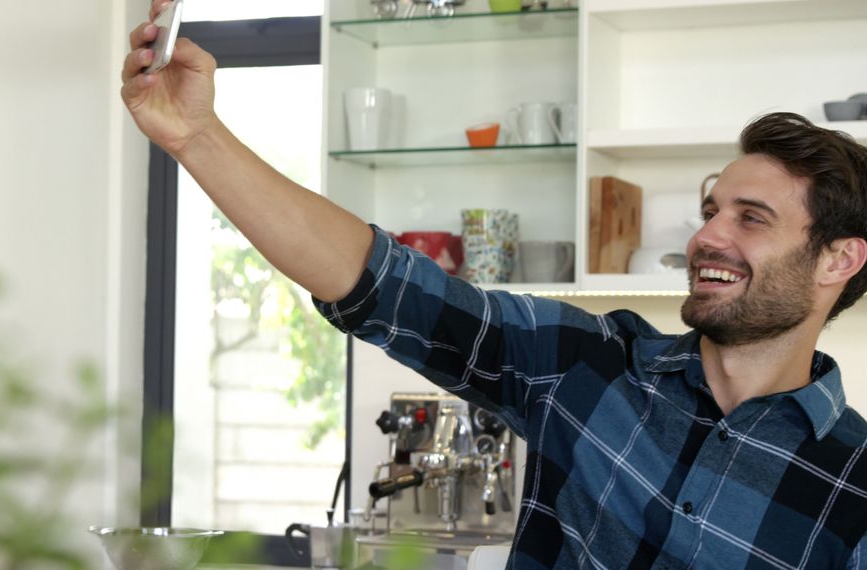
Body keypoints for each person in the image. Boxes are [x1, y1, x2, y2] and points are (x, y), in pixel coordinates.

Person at [121, 4, 867, 568]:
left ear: (839, 260)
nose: (707, 236)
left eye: (752, 218)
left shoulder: (855, 485)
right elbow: (379, 280)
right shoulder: (588, 363)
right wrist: (198, 138)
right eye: (710, 211)